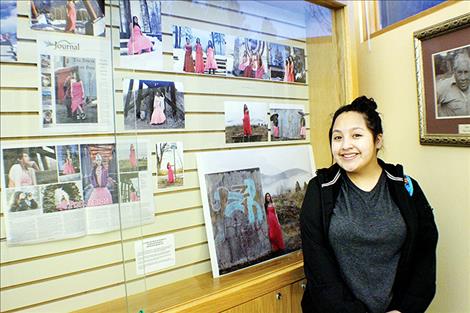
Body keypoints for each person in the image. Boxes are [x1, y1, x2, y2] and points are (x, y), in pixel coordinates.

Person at [300, 96, 438, 313]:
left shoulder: (405, 187)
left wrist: (404, 309)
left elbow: (425, 255)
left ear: (378, 140)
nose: (345, 146)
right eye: (337, 137)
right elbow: (319, 270)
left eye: (356, 135)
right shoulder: (320, 190)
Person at [436, 53, 470, 117]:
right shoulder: (442, 87)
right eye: (459, 72)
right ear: (454, 71)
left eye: (466, 72)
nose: (463, 78)